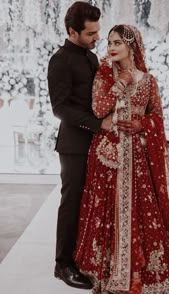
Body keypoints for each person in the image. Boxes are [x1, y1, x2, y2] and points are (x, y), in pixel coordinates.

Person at [74, 24, 169, 294]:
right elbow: (98, 109)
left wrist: (143, 124)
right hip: (109, 154)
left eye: (117, 42)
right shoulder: (105, 75)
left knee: (141, 209)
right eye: (109, 43)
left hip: (138, 157)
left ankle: (141, 267)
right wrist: (122, 82)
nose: (111, 48)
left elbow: (157, 117)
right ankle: (110, 267)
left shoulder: (149, 80)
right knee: (108, 208)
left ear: (132, 46)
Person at [47, 1, 112, 289]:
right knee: (71, 204)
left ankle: (85, 255)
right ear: (73, 31)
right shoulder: (60, 60)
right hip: (73, 145)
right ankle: (63, 265)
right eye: (90, 33)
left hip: (98, 141)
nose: (97, 37)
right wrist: (99, 124)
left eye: (98, 32)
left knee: (93, 203)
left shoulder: (91, 57)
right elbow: (59, 108)